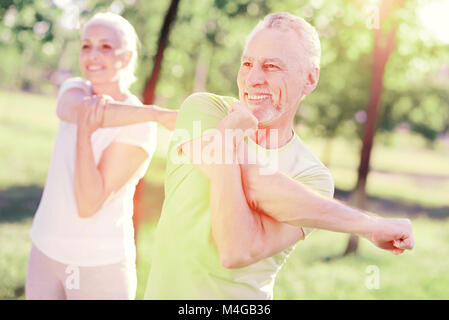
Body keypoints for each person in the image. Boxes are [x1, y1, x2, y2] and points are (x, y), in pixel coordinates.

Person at [144, 12, 413, 300]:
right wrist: (370, 225)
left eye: (271, 66)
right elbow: (257, 182)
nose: (253, 79)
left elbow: (237, 250)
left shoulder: (313, 177)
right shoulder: (204, 112)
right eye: (247, 63)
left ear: (309, 79)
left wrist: (226, 141)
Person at [26, 12, 176, 300]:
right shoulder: (74, 90)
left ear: (126, 56)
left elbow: (88, 203)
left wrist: (85, 132)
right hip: (44, 249)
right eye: (86, 45)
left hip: (99, 265)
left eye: (106, 46)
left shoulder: (140, 128)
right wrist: (157, 113)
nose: (93, 54)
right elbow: (80, 111)